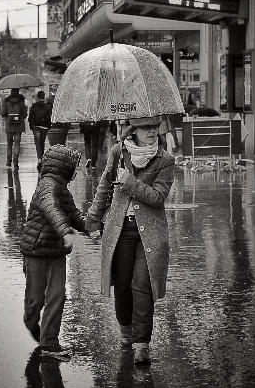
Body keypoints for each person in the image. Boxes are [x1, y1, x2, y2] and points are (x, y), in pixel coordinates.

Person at [85, 116, 175, 365]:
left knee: (142, 284)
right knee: (123, 284)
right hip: (120, 229)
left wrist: (130, 182)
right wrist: (93, 217)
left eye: (156, 127)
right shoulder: (118, 152)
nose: (153, 132)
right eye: (147, 128)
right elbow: (104, 186)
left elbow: (158, 197)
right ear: (133, 130)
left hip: (151, 233)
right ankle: (126, 331)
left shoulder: (165, 160)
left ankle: (142, 344)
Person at [20, 144, 87, 357]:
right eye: (73, 167)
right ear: (63, 168)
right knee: (35, 300)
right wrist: (66, 232)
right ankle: (31, 321)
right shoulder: (47, 187)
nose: (76, 172)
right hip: (37, 251)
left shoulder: (63, 189)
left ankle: (49, 342)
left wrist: (92, 225)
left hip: (57, 253)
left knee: (57, 295)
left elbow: (72, 214)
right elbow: (53, 210)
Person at [1, 88, 28, 169]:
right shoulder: (21, 102)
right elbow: (25, 115)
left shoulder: (6, 102)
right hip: (18, 126)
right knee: (17, 144)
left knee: (9, 144)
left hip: (9, 126)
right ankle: (15, 163)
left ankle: (8, 162)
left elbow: (3, 114)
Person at [28, 91, 52, 170]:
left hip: (36, 126)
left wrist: (31, 126)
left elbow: (30, 117)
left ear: (38, 97)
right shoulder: (48, 106)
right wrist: (48, 125)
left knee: (38, 143)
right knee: (42, 142)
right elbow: (50, 117)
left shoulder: (34, 106)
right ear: (44, 97)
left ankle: (39, 158)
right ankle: (42, 158)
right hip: (44, 126)